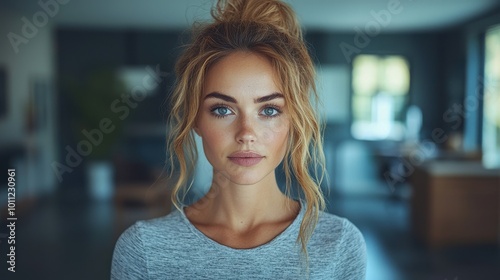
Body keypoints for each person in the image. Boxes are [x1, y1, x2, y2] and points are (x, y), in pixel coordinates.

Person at [111, 0, 367, 279]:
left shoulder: (339, 244)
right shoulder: (144, 250)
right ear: (195, 120)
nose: (246, 133)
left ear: (293, 119)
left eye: (269, 110)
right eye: (223, 110)